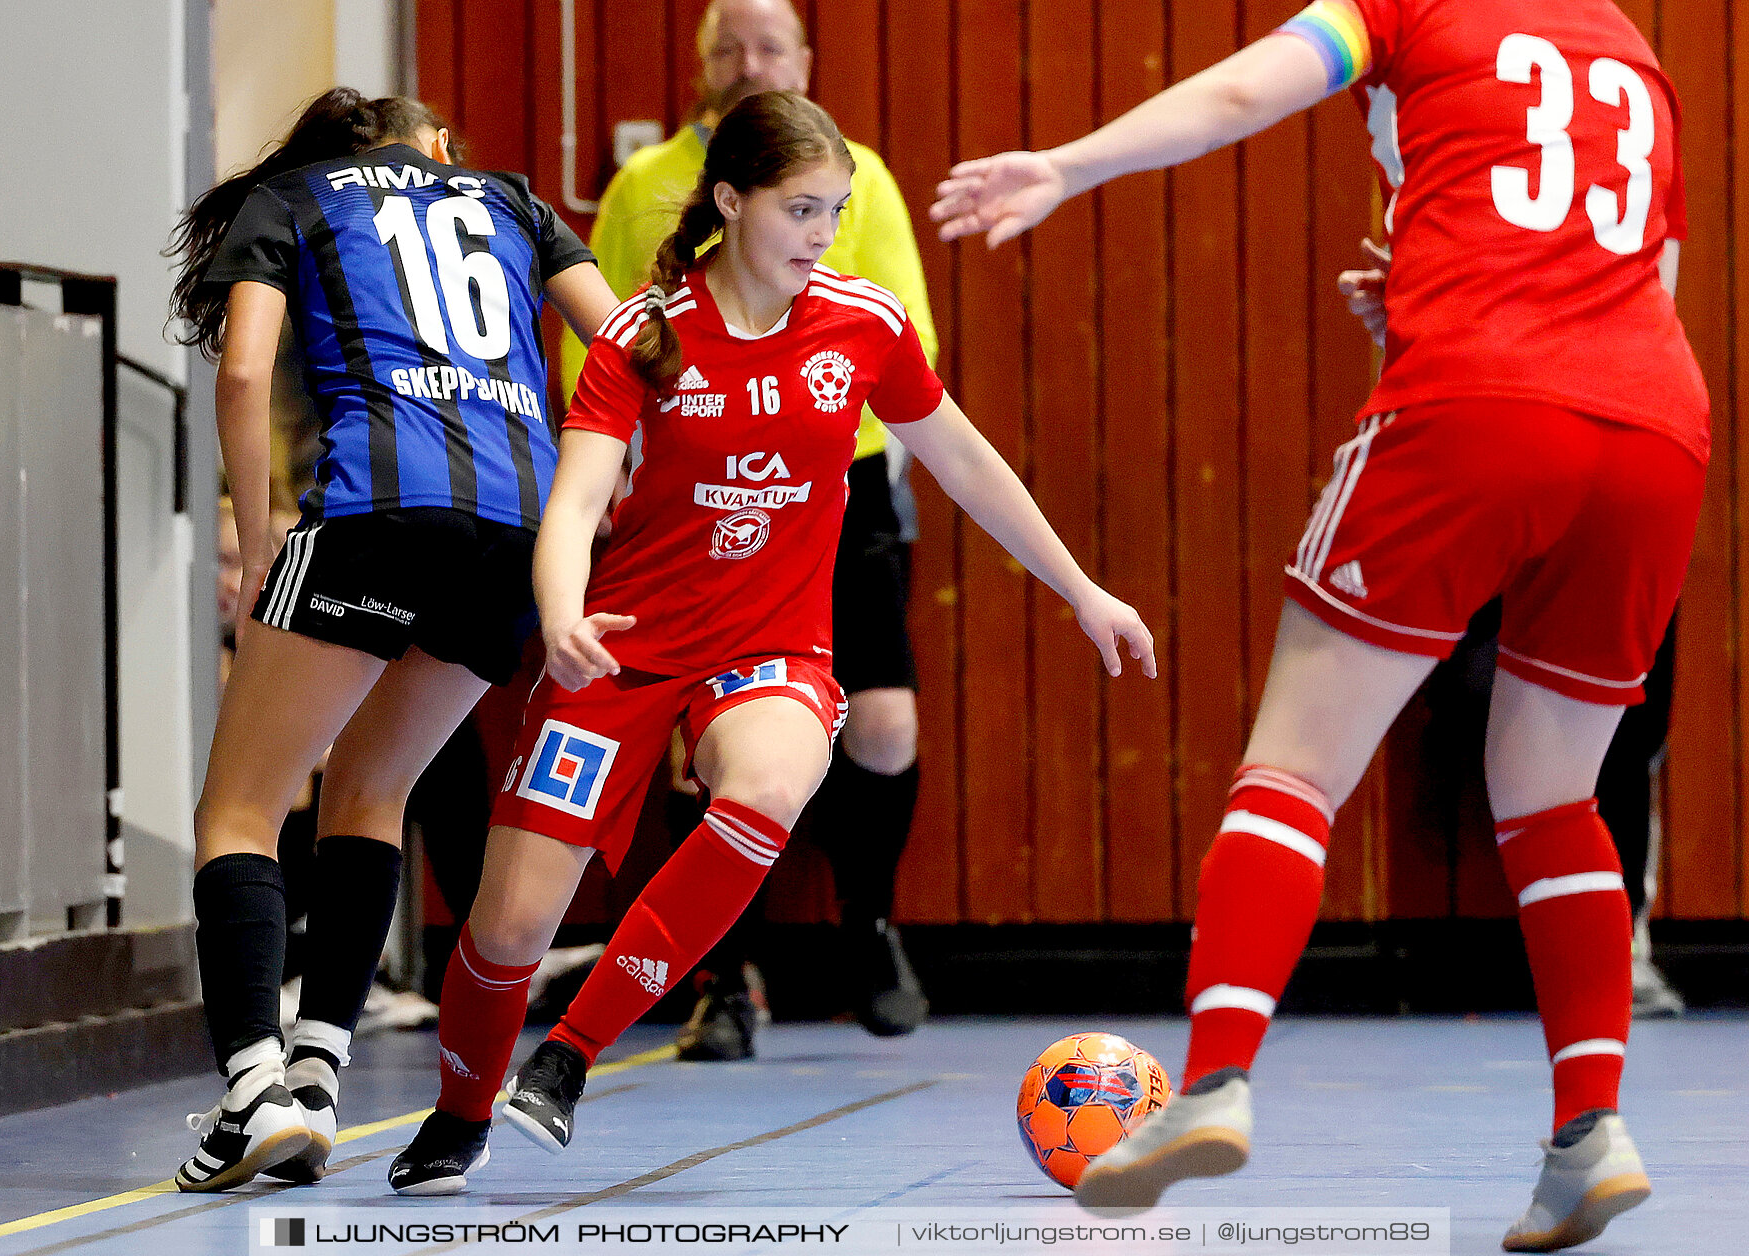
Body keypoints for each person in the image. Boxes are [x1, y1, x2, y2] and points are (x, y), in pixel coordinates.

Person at [934, 1, 1706, 1249]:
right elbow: (1642, 283)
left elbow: (1243, 94)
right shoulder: (1632, 47)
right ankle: (1591, 1130)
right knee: (1558, 797)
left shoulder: (1404, 5)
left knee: (1292, 766)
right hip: (1654, 427)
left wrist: (1066, 164)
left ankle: (1218, 1081)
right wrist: (1428, 288)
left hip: (1474, 395)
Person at [387, 90, 1155, 1195]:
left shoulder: (865, 325)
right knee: (505, 929)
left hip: (773, 650)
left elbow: (968, 462)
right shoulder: (643, 338)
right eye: (801, 208)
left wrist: (1081, 589)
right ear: (731, 201)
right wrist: (560, 615)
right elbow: (575, 501)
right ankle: (462, 1113)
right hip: (627, 646)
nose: (820, 233)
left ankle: (569, 1054)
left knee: (770, 787)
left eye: (835, 210)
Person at [166, 86, 617, 1192]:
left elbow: (239, 372)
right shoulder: (510, 197)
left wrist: (264, 531)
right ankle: (319, 1075)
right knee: (374, 789)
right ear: (439, 148)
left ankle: (250, 1090)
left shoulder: (294, 196)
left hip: (376, 512)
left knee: (239, 808)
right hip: (519, 527)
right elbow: (627, 351)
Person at [563, 0, 942, 1055]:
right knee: (694, 751)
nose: (749, 60)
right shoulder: (644, 189)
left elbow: (907, 336)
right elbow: (599, 356)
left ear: (804, 61)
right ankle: (719, 981)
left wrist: (795, 425)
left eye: (770, 45)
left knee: (883, 722)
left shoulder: (855, 178)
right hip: (684, 494)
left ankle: (870, 926)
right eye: (728, 45)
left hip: (839, 482)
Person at [1340, 245, 1688, 1020]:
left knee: (1623, 732)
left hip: (1619, 470)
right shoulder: (1487, 224)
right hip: (1502, 492)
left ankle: (1620, 946)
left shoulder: (1633, 226)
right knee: (1490, 708)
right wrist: (1417, 329)